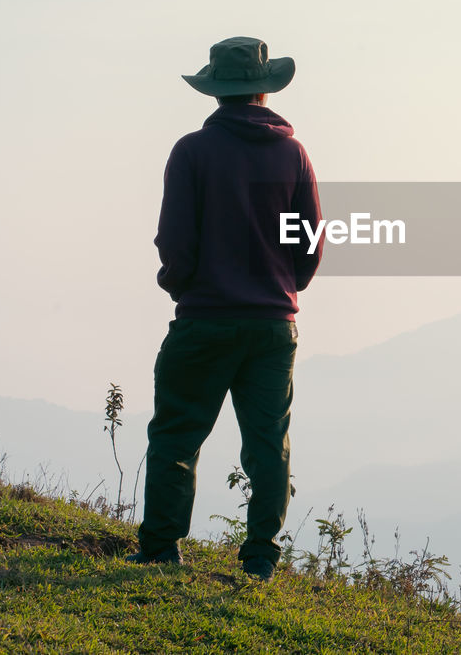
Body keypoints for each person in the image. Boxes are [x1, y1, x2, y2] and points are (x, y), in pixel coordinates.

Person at [127, 36, 322, 582]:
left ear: (214, 90)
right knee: (267, 444)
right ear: (265, 89)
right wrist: (285, 286)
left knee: (176, 435)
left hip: (205, 319)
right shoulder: (292, 153)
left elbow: (176, 240)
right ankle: (260, 557)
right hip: (273, 325)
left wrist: (181, 285)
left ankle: (162, 548)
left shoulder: (191, 152)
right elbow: (308, 242)